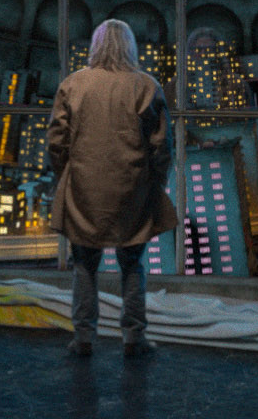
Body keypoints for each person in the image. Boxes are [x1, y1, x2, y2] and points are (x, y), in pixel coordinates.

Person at [48, 18, 174, 358]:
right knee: (132, 264)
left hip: (84, 190)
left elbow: (57, 143)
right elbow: (161, 146)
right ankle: (134, 337)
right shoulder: (146, 86)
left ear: (96, 46)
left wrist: (65, 176)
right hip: (133, 189)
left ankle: (83, 338)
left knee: (83, 264)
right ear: (130, 47)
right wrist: (156, 182)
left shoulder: (73, 84)